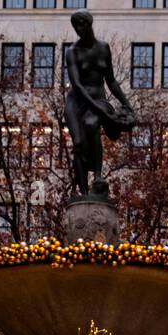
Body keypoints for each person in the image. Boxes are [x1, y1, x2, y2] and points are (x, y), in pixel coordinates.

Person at [64, 10, 137, 196]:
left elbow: (111, 81)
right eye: (75, 26)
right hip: (77, 101)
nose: (78, 29)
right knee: (79, 143)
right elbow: (78, 86)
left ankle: (97, 176)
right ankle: (84, 194)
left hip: (98, 99)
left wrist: (126, 104)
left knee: (91, 124)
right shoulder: (72, 52)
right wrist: (99, 109)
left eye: (81, 25)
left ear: (89, 24)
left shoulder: (104, 48)